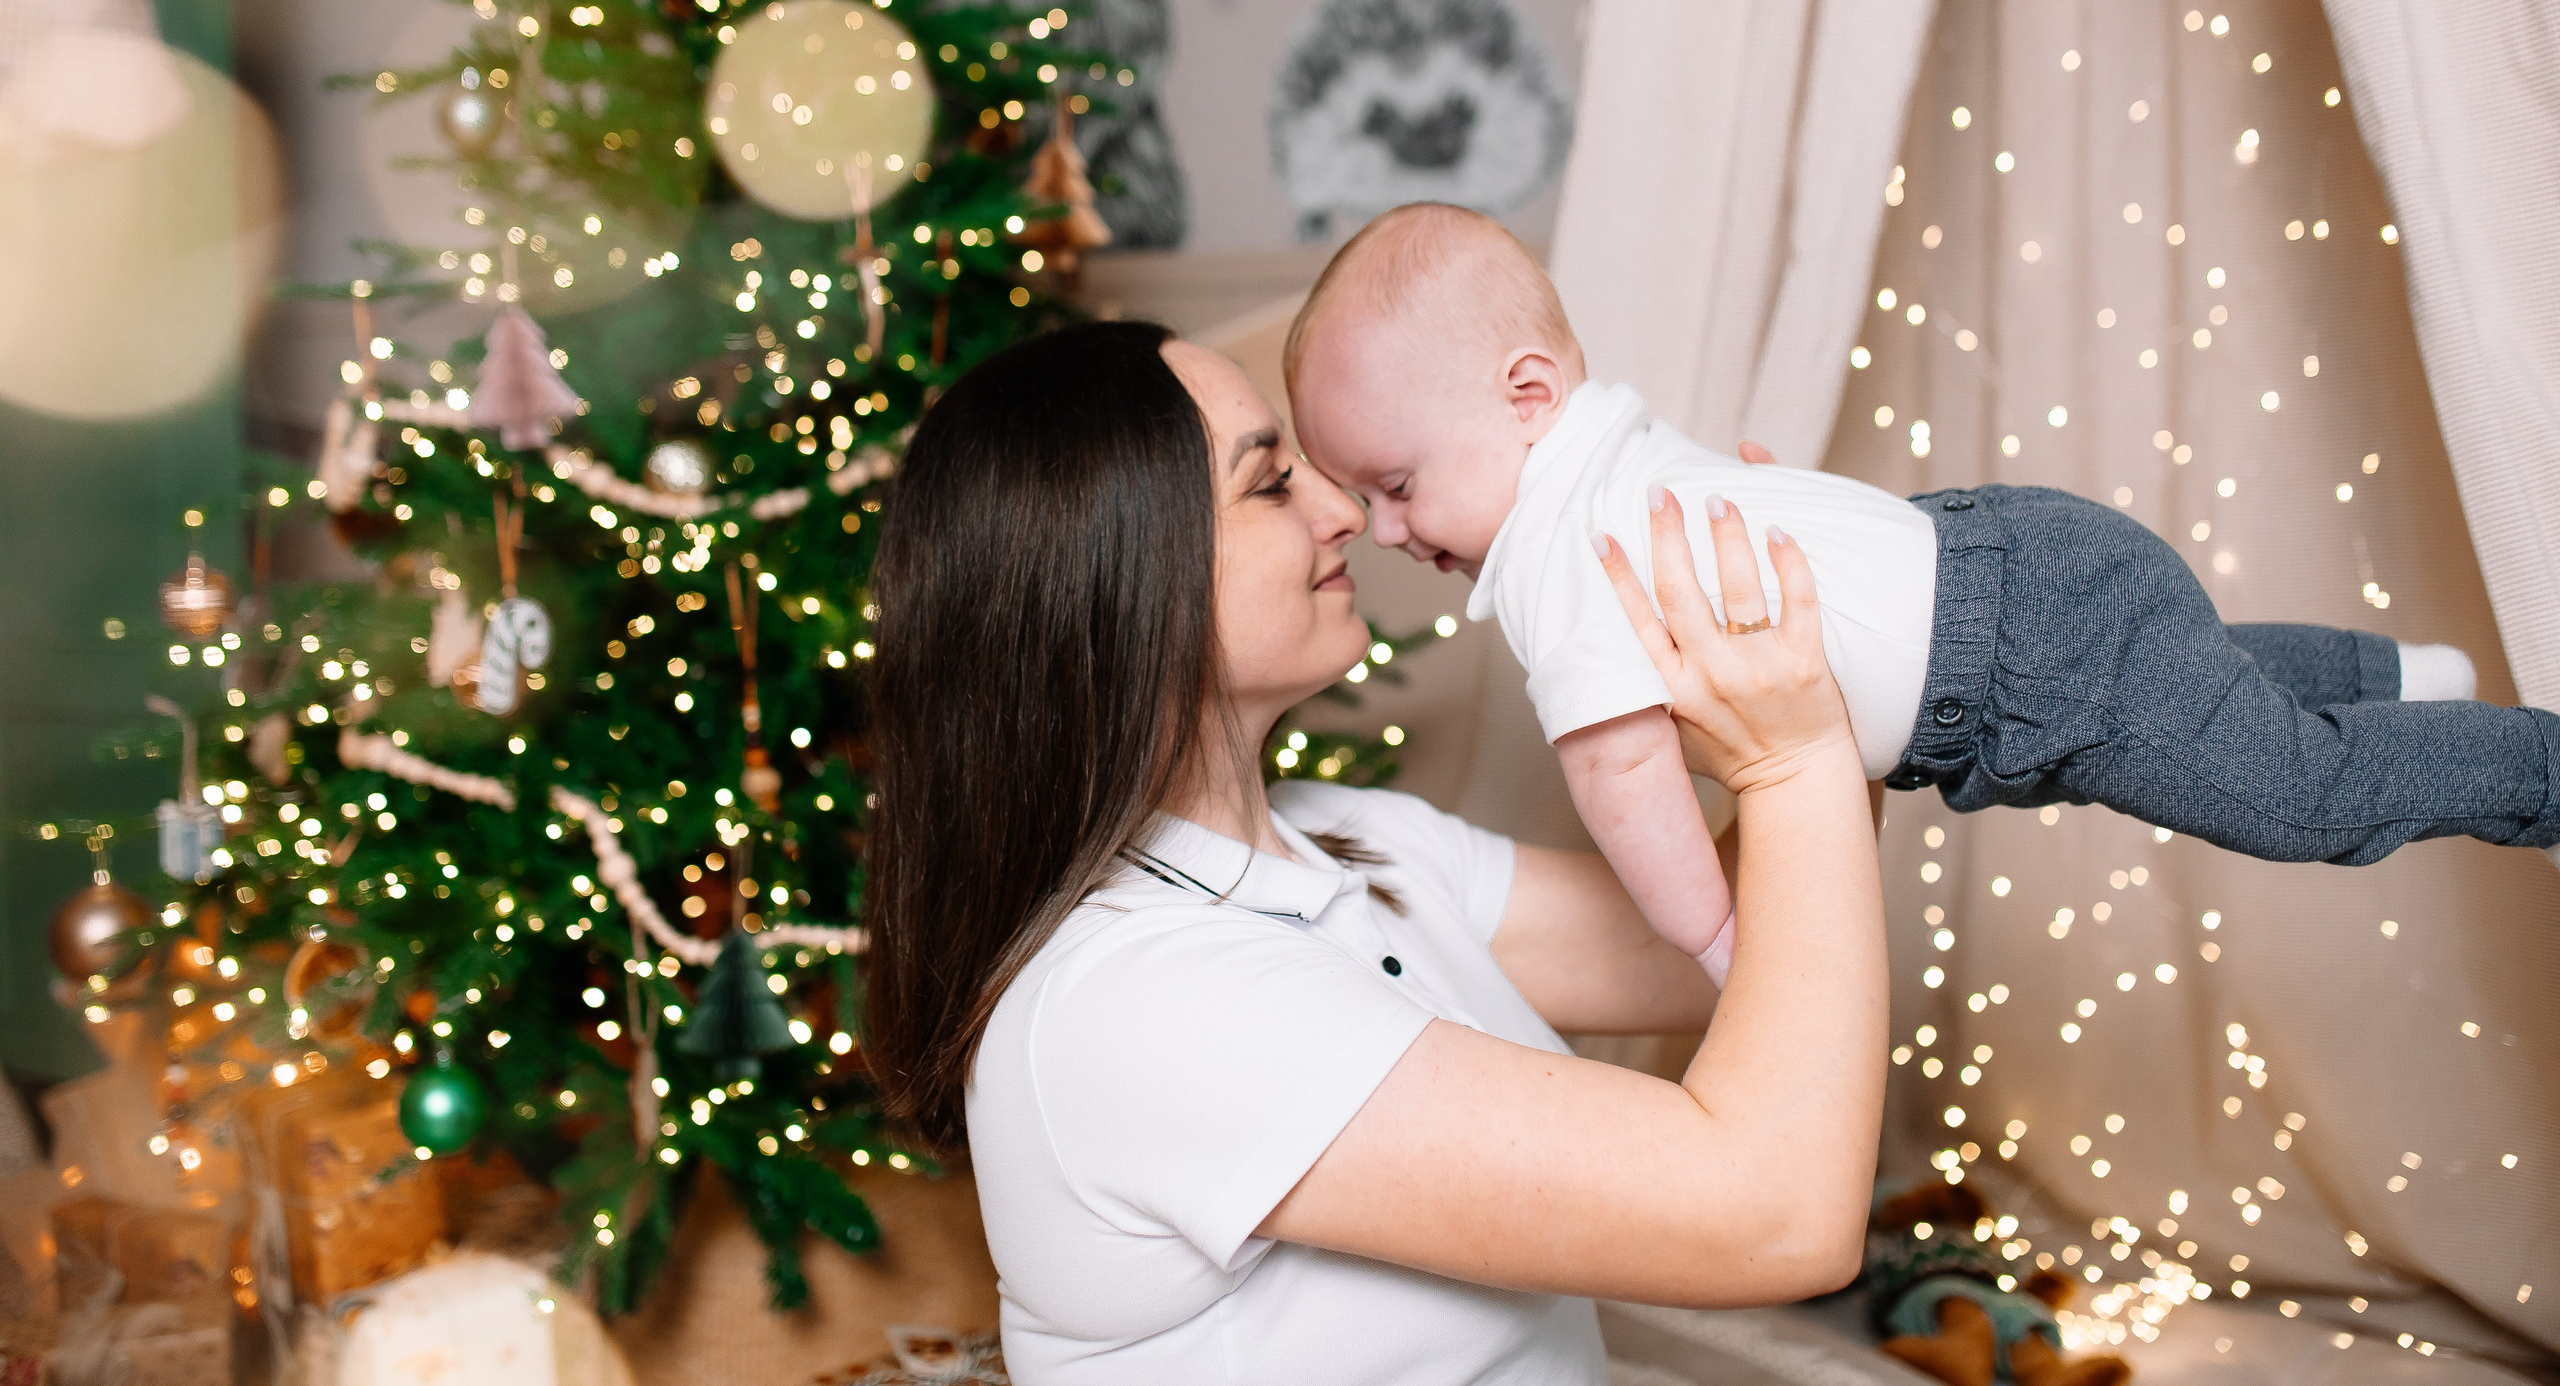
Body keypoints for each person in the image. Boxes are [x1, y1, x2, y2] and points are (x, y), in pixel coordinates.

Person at [862, 321, 1887, 1384]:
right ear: (1117, 579)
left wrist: (1840, 665)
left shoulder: (1345, 838)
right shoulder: (1138, 1000)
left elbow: (1706, 944)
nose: (1343, 510)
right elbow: (1773, 1213)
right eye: (1268, 485)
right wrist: (1794, 757)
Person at [1284, 201, 2560, 980]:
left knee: (2294, 799)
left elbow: (1624, 786)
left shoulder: (1565, 560)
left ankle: (2535, 770)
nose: (1383, 528)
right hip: (2012, 558)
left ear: (1524, 398)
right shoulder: (1610, 451)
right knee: (2198, 672)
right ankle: (2393, 678)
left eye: (1395, 483)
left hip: (2008, 653)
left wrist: (1724, 946)